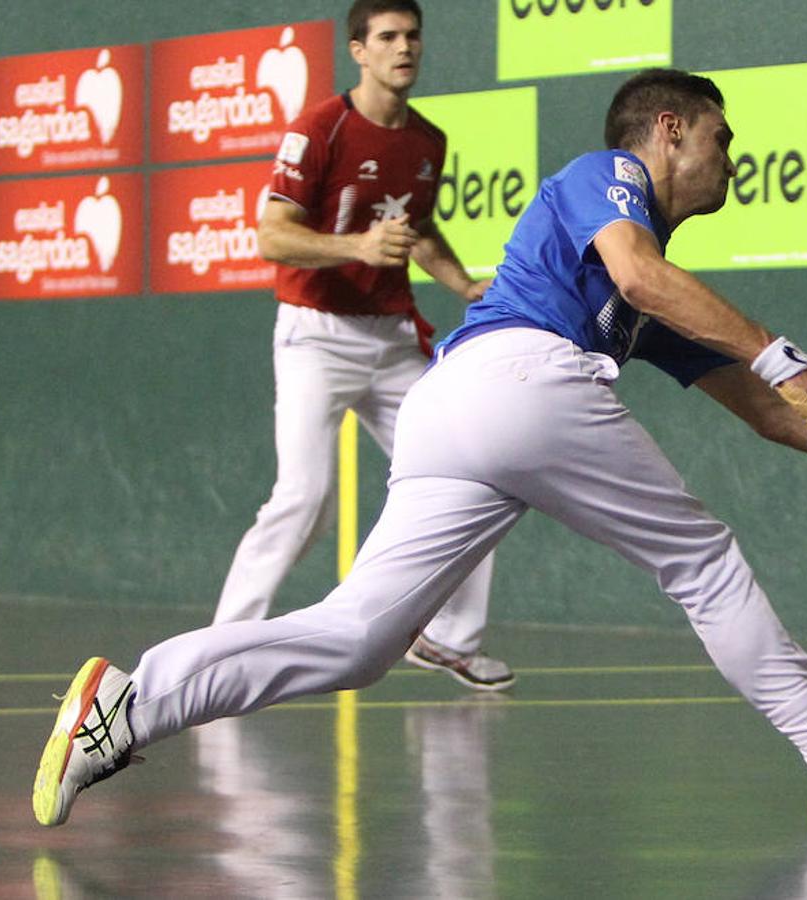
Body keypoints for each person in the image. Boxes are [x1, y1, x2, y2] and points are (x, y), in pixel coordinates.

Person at [33, 68, 807, 829]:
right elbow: (651, 287)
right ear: (669, 130)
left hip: (451, 411)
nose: (731, 156)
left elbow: (765, 412)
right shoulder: (603, 182)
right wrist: (792, 358)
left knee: (358, 639)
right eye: (722, 138)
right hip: (516, 381)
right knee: (702, 563)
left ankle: (127, 702)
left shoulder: (651, 286)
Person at [217, 0, 512, 690]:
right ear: (358, 49)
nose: (403, 48)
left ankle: (447, 640)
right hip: (315, 335)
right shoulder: (320, 129)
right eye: (387, 37)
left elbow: (419, 230)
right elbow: (271, 235)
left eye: (412, 36)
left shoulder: (428, 140)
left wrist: (463, 284)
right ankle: (221, 651)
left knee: (475, 472)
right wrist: (355, 246)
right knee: (305, 498)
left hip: (392, 339)